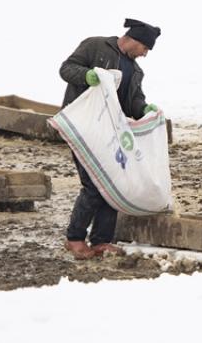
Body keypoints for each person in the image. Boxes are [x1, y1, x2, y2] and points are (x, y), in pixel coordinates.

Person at [57, 18, 161, 259]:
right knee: (93, 185)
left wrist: (144, 109)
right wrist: (88, 76)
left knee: (112, 184)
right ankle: (74, 238)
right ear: (135, 40)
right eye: (145, 49)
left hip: (109, 132)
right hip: (82, 126)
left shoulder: (135, 71)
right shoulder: (96, 46)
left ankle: (101, 240)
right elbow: (66, 69)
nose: (145, 54)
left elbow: (132, 102)